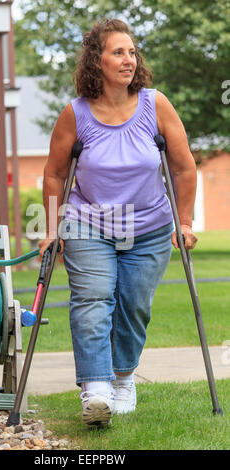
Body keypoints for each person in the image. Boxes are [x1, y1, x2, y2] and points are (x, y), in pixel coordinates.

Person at [39, 18, 198, 427]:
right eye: (118, 52)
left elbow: (182, 168)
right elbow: (55, 174)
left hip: (149, 226)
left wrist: (185, 220)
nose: (128, 60)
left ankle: (124, 379)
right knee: (92, 300)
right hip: (87, 222)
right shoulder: (75, 114)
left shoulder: (155, 104)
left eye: (132, 52)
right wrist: (51, 230)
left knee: (133, 305)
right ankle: (96, 390)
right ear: (97, 60)